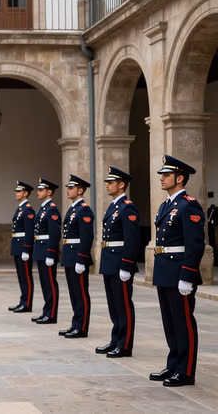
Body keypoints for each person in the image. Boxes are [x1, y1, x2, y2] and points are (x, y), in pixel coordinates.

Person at [149, 155, 205, 387]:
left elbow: (195, 244)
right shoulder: (166, 205)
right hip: (164, 270)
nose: (162, 178)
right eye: (162, 174)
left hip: (179, 271)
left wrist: (187, 275)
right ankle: (173, 364)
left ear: (180, 178)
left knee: (183, 322)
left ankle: (186, 370)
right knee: (169, 322)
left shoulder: (188, 204)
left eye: (167, 175)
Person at [96, 166, 140, 358]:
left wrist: (126, 264)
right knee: (113, 305)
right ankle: (116, 339)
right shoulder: (114, 206)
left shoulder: (127, 207)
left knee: (123, 305)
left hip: (120, 261)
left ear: (122, 185)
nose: (107, 184)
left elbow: (132, 239)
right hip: (109, 260)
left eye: (111, 182)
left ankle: (125, 344)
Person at [59, 175, 94, 339]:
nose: (68, 190)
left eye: (71, 188)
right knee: (73, 292)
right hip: (69, 255)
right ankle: (75, 323)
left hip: (77, 256)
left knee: (80, 292)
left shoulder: (84, 209)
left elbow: (86, 237)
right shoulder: (73, 209)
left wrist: (81, 258)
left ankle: (82, 326)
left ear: (80, 190)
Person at [32, 177, 61, 325]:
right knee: (44, 282)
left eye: (41, 190)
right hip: (41, 249)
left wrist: (51, 252)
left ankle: (51, 314)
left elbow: (54, 234)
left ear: (49, 192)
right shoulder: (43, 208)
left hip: (46, 250)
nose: (38, 192)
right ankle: (46, 311)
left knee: (50, 283)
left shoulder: (52, 209)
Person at [9, 180, 35, 314]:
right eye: (16, 191)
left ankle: (27, 303)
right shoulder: (20, 209)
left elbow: (30, 232)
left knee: (26, 276)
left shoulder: (28, 210)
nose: (16, 193)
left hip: (23, 246)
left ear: (25, 193)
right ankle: (23, 301)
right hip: (17, 245)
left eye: (19, 191)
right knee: (21, 275)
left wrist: (26, 248)